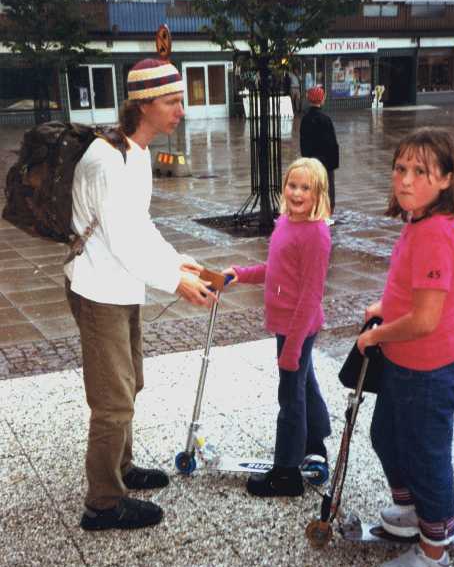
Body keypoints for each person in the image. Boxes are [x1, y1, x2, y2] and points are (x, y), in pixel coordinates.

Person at [65, 58, 216, 532]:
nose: (181, 111)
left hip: (120, 286)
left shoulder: (136, 151)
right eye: (173, 102)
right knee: (112, 400)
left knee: (130, 386)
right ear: (144, 104)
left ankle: (123, 469)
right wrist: (176, 283)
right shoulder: (106, 161)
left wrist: (176, 262)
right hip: (97, 290)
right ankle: (104, 504)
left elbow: (140, 226)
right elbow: (122, 240)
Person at [357, 127, 454, 567]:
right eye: (400, 168)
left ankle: (434, 553)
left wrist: (378, 336)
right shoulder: (419, 222)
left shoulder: (435, 234)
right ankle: (411, 513)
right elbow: (419, 292)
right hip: (408, 364)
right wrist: (385, 307)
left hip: (431, 367)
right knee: (387, 435)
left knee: (426, 457)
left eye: (420, 171)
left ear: (445, 178)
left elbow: (426, 320)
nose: (405, 180)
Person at [224, 158, 332, 497]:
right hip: (288, 323)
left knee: (290, 397)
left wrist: (292, 348)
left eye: (305, 188)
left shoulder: (315, 234)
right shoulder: (286, 222)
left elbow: (311, 294)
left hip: (297, 326)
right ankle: (315, 439)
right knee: (304, 383)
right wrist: (241, 274)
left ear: (318, 194)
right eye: (292, 185)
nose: (297, 193)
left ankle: (286, 473)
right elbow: (276, 269)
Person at [300, 86, 339, 224]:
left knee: (313, 187)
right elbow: (332, 143)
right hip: (326, 163)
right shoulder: (325, 119)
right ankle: (326, 214)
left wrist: (306, 160)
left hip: (311, 162)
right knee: (327, 189)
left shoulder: (305, 119)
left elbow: (303, 143)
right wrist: (333, 163)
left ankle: (314, 211)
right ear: (321, 99)